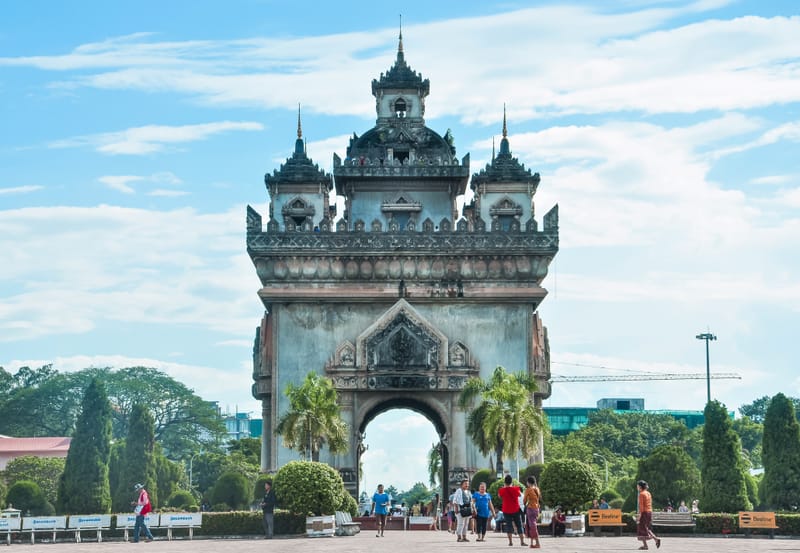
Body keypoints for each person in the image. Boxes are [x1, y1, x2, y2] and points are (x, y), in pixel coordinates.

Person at [497, 474, 527, 546]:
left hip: (506, 510)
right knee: (519, 525)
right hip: (515, 509)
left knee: (509, 525)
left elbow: (499, 496)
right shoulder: (516, 489)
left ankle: (510, 542)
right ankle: (522, 542)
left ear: (505, 482)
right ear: (511, 482)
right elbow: (519, 495)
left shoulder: (502, 490)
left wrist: (504, 488)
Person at [636, 480, 661, 550]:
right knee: (646, 528)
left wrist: (639, 516)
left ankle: (645, 545)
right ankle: (656, 539)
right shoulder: (648, 493)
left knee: (641, 529)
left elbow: (641, 507)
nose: (637, 487)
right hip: (649, 512)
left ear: (640, 487)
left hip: (644, 513)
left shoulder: (641, 494)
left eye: (637, 486)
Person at [523, 476, 541, 548]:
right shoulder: (537, 489)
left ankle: (537, 543)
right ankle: (532, 543)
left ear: (528, 482)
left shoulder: (528, 490)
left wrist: (525, 504)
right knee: (532, 525)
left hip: (530, 508)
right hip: (537, 509)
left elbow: (524, 500)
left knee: (532, 525)